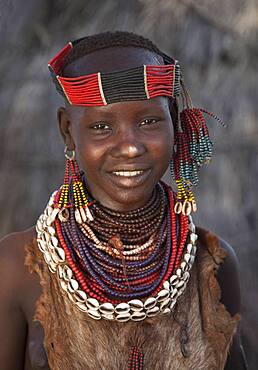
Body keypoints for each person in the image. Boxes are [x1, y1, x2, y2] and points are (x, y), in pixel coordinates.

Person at [0, 31, 248, 370]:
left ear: (175, 123)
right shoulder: (16, 267)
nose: (130, 147)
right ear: (67, 131)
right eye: (102, 126)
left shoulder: (212, 264)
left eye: (149, 121)